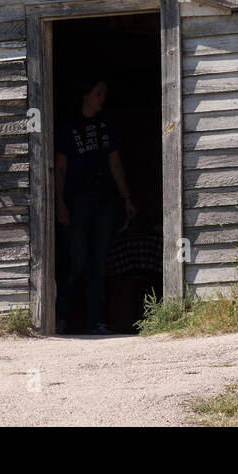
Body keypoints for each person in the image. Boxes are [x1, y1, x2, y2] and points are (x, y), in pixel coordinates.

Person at [55, 77, 136, 334]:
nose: (102, 99)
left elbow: (115, 163)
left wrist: (126, 198)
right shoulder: (67, 126)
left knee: (99, 266)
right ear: (85, 95)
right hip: (78, 202)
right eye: (99, 93)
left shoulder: (107, 125)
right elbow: (60, 167)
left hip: (105, 202)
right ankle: (60, 317)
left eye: (104, 94)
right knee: (77, 263)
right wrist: (59, 202)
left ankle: (95, 322)